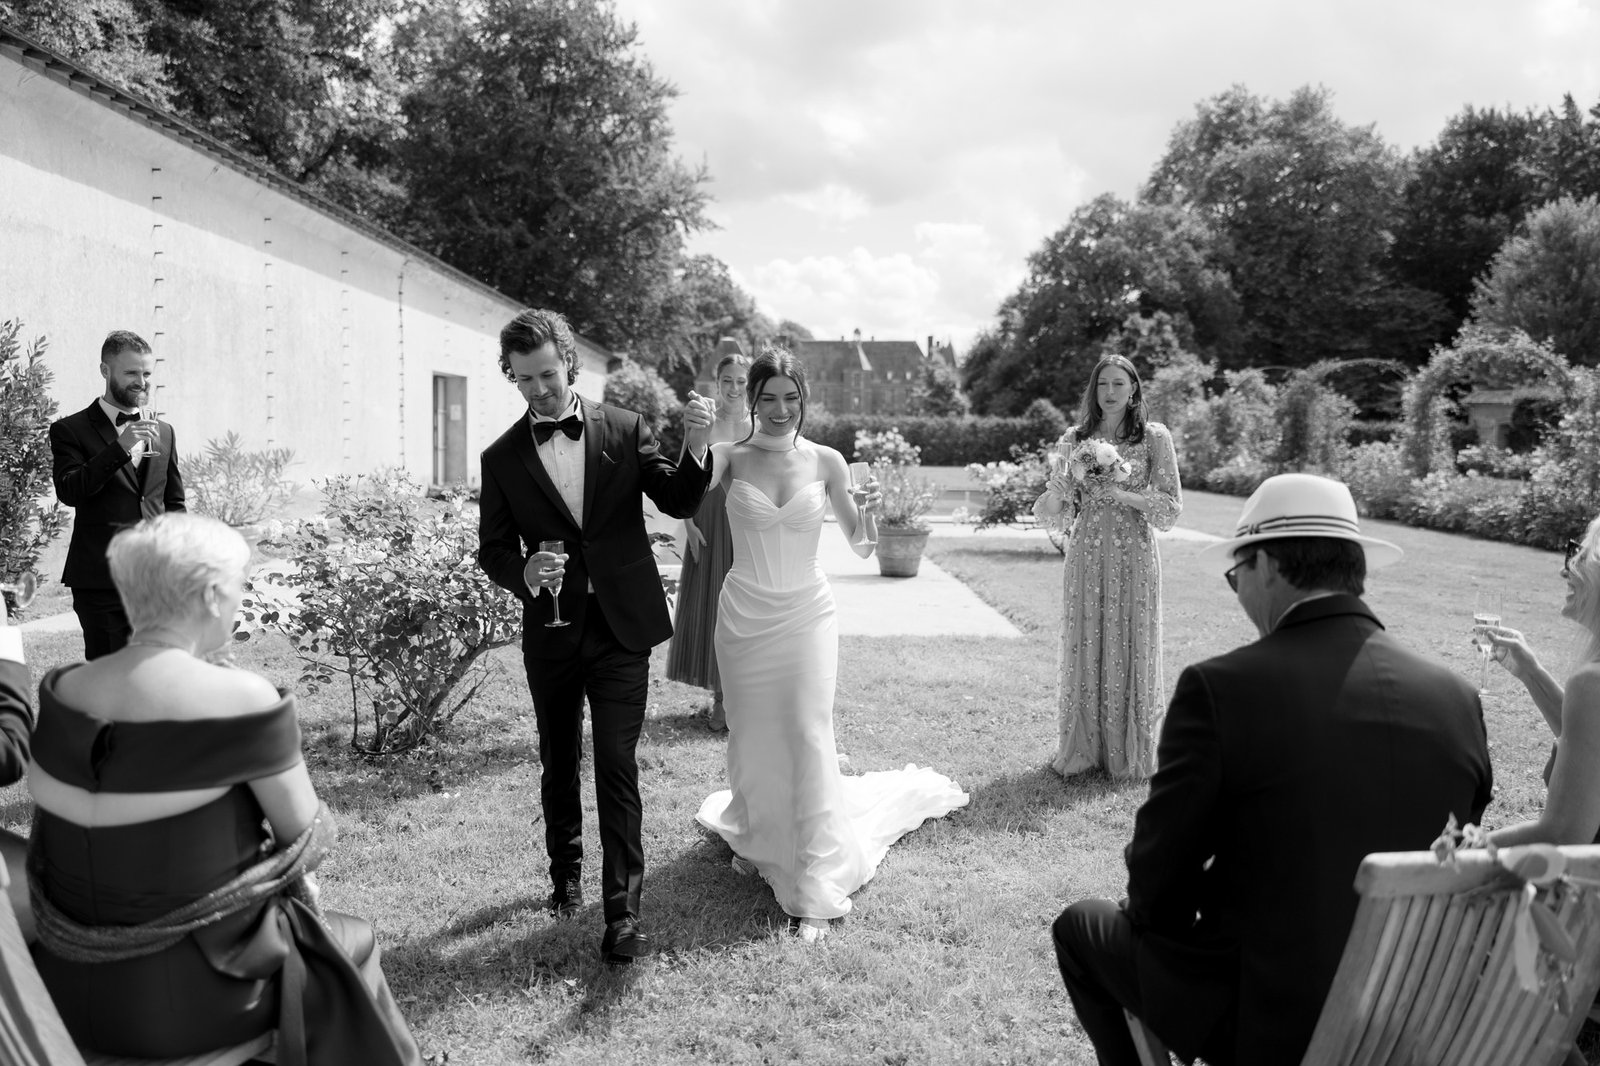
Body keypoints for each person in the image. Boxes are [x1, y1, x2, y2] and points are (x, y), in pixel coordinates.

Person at [1052, 473, 1493, 1066]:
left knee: (1083, 927)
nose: (1238, 594)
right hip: (1413, 1015)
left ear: (1267, 566)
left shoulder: (1222, 688)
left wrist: (1175, 920)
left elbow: (1160, 877)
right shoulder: (1458, 698)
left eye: (1236, 576)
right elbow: (1454, 851)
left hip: (1273, 1021)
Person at [26, 513, 421, 1063]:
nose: (240, 598)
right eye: (240, 585)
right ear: (212, 595)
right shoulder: (242, 699)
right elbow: (308, 837)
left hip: (59, 983)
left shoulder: (65, 689)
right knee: (353, 940)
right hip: (197, 997)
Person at [695, 347, 969, 942]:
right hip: (744, 612)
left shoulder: (826, 460)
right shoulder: (726, 457)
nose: (779, 409)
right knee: (752, 729)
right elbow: (676, 501)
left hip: (805, 612)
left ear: (803, 398)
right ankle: (759, 833)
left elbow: (862, 545)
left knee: (806, 731)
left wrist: (868, 513)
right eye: (767, 398)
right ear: (751, 400)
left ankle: (816, 882)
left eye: (790, 398)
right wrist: (690, 458)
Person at [477, 308, 713, 965]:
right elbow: (492, 548)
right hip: (550, 631)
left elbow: (679, 499)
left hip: (619, 629)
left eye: (547, 374)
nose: (539, 390)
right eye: (524, 380)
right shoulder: (501, 458)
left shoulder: (624, 427)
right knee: (558, 757)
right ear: (512, 377)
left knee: (615, 762)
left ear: (568, 364)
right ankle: (565, 876)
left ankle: (623, 915)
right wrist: (522, 570)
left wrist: (696, 446)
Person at [1032, 354, 1181, 779]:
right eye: (1103, 385)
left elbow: (1171, 507)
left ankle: (1129, 751)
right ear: (1093, 391)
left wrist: (1124, 493)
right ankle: (1083, 748)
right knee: (1087, 637)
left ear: (1134, 389)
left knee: (1131, 635)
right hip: (1087, 552)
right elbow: (1051, 511)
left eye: (1119, 384)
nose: (1111, 392)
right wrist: (1059, 490)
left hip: (1134, 551)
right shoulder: (1074, 438)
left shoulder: (1154, 437)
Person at [50, 329, 185, 659]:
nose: (142, 381)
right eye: (131, 373)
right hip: (101, 579)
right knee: (111, 675)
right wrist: (120, 448)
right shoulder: (70, 429)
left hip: (156, 581)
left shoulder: (164, 431)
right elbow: (71, 490)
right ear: (105, 371)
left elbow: (173, 502)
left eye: (147, 373)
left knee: (160, 671)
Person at [1486, 516, 1600, 848]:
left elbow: (1561, 834)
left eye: (1579, 557)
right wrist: (1532, 673)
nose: (1565, 571)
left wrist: (1465, 847)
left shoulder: (1592, 683)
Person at [667, 343, 752, 732]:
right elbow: (684, 473)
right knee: (713, 610)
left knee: (742, 611)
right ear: (716, 384)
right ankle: (719, 701)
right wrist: (689, 525)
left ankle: (740, 697)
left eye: (741, 381)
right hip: (705, 523)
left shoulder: (758, 425)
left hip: (743, 524)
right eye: (727, 381)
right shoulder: (704, 421)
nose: (734, 388)